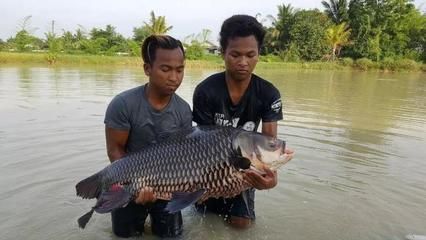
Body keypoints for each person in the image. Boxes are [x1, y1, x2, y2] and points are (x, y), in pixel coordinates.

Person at [192, 15, 294, 228]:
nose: (243, 62)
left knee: (242, 225)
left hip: (246, 164)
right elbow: (200, 141)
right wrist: (204, 184)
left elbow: (269, 142)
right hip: (207, 167)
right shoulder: (205, 90)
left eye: (250, 55)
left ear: (259, 54)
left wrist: (271, 178)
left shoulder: (268, 93)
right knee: (202, 219)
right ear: (223, 53)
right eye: (235, 55)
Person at [104, 35, 192, 238]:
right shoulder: (123, 104)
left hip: (169, 185)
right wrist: (134, 187)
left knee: (172, 236)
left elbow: (184, 156)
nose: (174, 77)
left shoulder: (183, 110)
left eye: (180, 70)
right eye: (165, 69)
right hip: (127, 182)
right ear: (147, 69)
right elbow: (115, 150)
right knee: (124, 236)